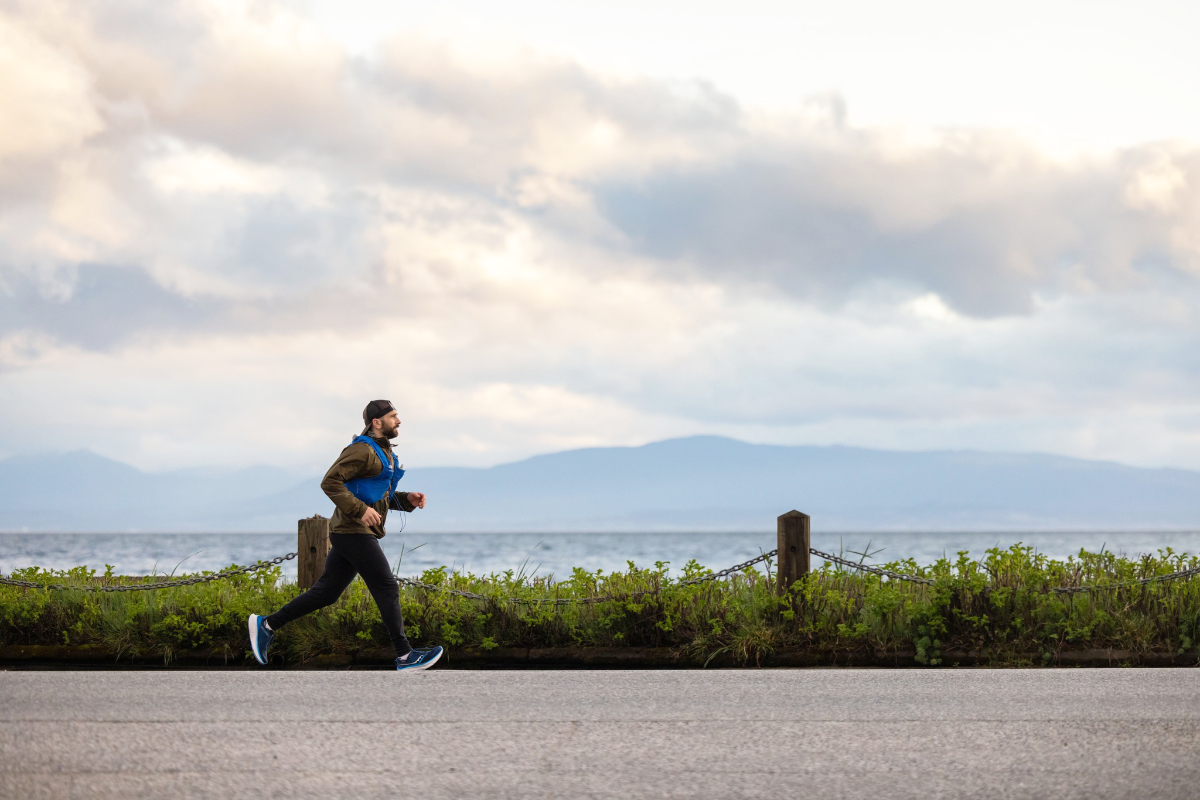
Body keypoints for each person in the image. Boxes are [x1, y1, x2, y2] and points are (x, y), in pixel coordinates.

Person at [248, 400, 443, 671]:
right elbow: (330, 482)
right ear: (377, 422)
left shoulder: (383, 453)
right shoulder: (362, 450)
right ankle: (404, 655)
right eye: (393, 416)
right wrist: (360, 511)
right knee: (386, 585)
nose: (399, 421)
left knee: (327, 592)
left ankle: (267, 624)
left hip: (352, 531)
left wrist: (405, 500)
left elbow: (372, 494)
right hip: (353, 531)